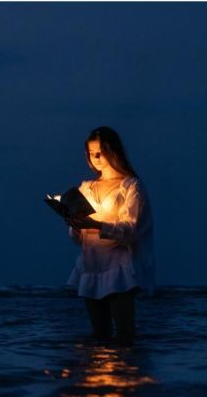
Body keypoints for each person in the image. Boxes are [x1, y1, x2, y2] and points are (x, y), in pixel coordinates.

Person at [65, 126, 155, 346]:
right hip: (91, 266)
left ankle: (127, 375)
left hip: (119, 267)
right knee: (99, 335)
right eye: (90, 153)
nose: (95, 158)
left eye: (99, 153)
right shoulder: (86, 188)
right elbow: (77, 239)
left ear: (112, 151)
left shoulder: (131, 186)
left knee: (125, 336)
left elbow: (129, 229)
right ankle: (99, 377)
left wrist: (96, 224)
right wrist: (76, 227)